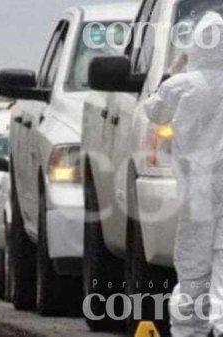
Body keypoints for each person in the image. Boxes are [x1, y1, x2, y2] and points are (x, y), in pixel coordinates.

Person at [145, 12, 223, 337]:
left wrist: (172, 71)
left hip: (198, 191)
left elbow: (154, 111)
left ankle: (188, 330)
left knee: (192, 266)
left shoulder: (182, 86)